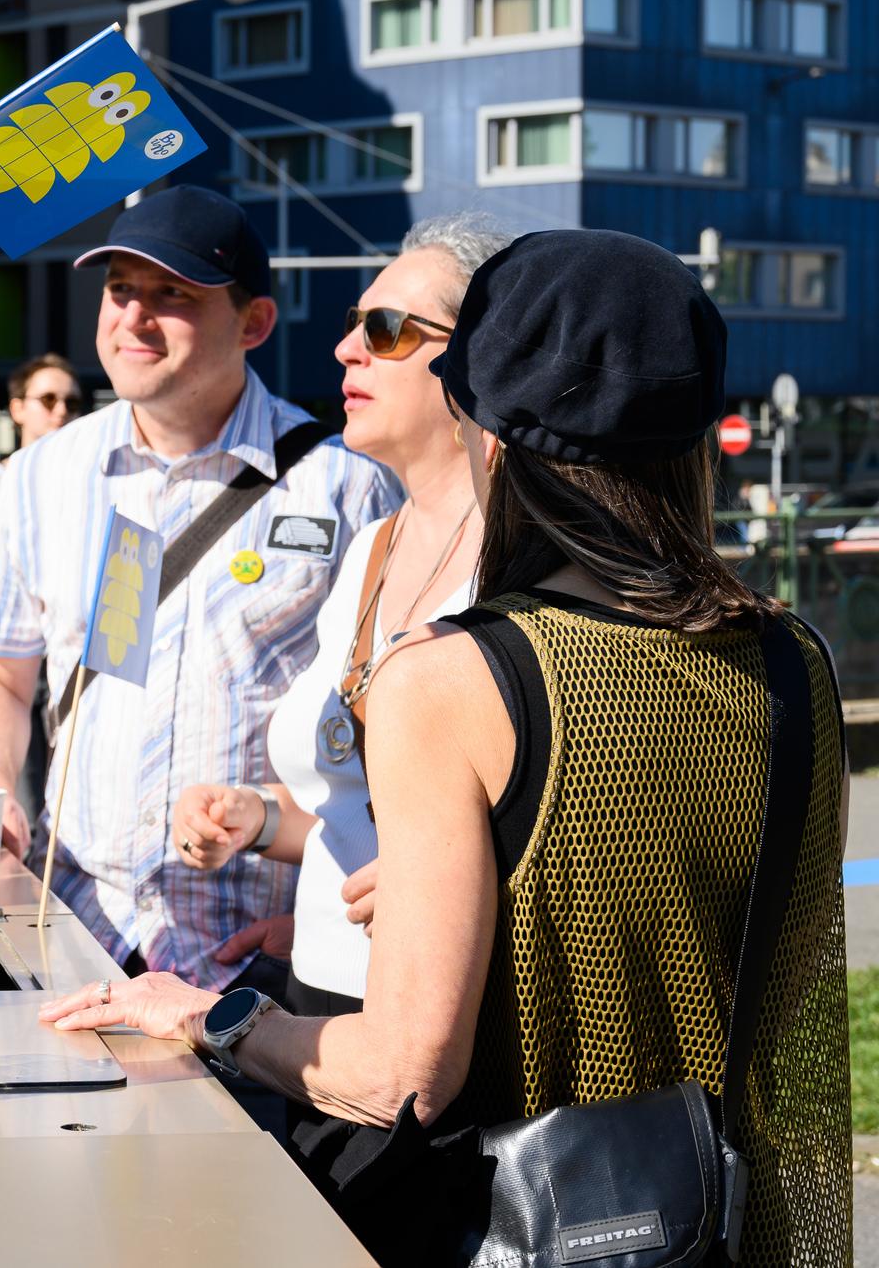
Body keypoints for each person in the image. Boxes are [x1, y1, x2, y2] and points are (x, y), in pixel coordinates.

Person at [41, 229, 850, 1265]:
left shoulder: (453, 675)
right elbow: (754, 946)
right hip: (726, 1219)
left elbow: (401, 1076)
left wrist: (208, 1015)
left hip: (524, 1220)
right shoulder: (791, 658)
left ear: (485, 424)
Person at [0, 185, 399, 998]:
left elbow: (395, 738)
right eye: (120, 288)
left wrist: (322, 925)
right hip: (75, 937)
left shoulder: (347, 487)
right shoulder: (41, 476)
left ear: (254, 323)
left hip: (252, 963)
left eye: (172, 294)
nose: (134, 316)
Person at [169, 214, 511, 1011]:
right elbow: (350, 806)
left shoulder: (524, 560)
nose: (347, 348)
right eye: (356, 324)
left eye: (386, 329)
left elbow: (587, 814)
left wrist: (467, 879)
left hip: (442, 1013)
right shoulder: (372, 549)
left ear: (479, 357)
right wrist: (257, 819)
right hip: (321, 993)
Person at [0, 354, 83, 821]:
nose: (61, 410)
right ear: (17, 408)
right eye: (47, 399)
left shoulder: (87, 481)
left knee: (71, 793)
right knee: (19, 800)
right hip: (8, 659)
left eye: (71, 401)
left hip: (70, 656)